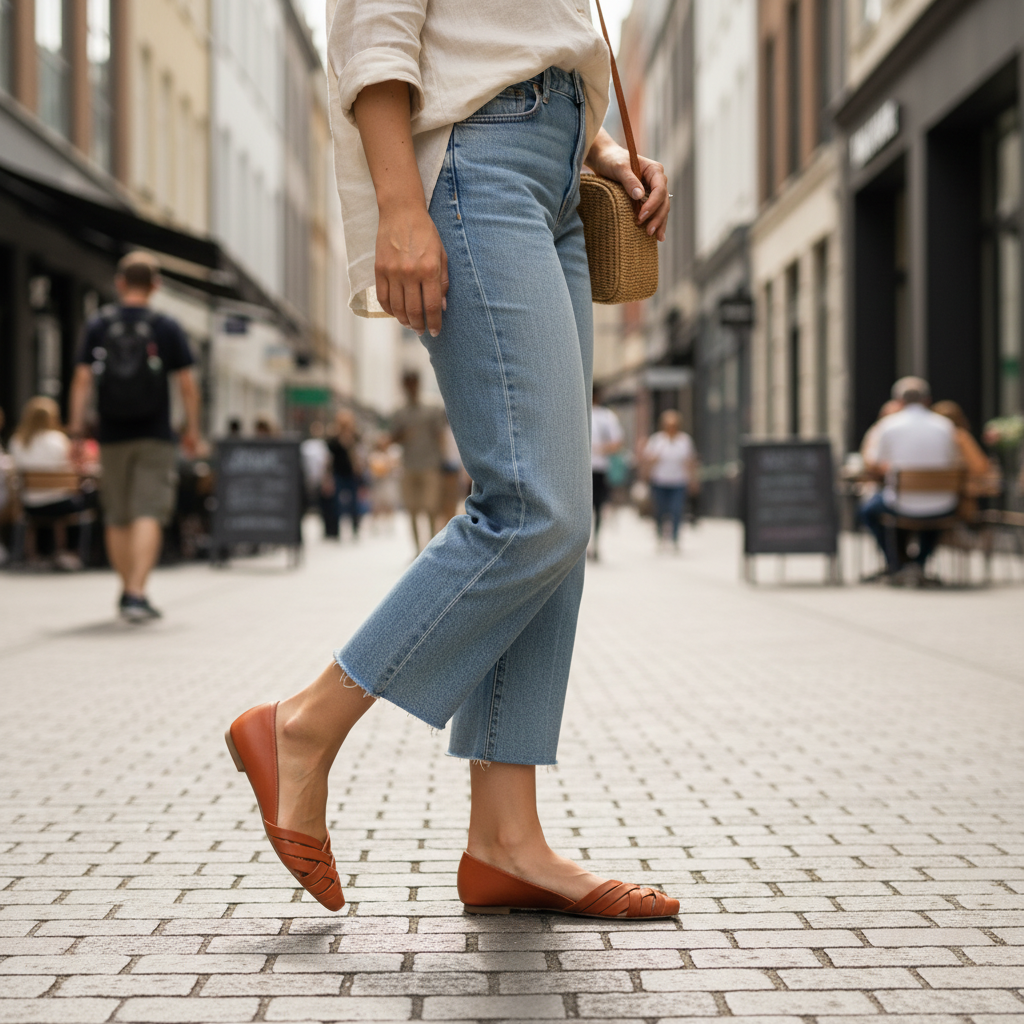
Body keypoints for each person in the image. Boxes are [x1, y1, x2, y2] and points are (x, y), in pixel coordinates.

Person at [224, 1, 678, 921]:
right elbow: (376, 24)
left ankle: (507, 841)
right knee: (534, 508)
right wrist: (400, 205)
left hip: (559, 171)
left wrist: (595, 145)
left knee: (556, 521)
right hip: (477, 161)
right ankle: (303, 726)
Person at [68, 251, 200, 622]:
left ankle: (127, 589)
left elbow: (81, 380)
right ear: (155, 286)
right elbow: (187, 385)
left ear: (120, 282)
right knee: (148, 511)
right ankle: (137, 593)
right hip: (155, 434)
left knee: (117, 515)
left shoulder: (99, 323)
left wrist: (76, 431)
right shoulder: (166, 325)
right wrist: (192, 430)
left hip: (110, 433)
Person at [860, 376, 958, 584]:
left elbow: (875, 462)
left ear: (899, 401)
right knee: (932, 510)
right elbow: (954, 460)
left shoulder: (888, 425)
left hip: (901, 503)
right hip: (943, 503)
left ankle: (896, 563)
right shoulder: (945, 425)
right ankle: (919, 563)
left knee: (868, 511)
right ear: (927, 400)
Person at [9, 396, 92, 570]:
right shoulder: (58, 439)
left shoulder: (17, 441)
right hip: (60, 503)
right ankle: (68, 553)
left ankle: (36, 554)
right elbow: (72, 468)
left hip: (29, 503)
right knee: (80, 502)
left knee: (39, 511)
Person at [390, 371, 446, 554]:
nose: (411, 387)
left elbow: (440, 435)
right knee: (412, 510)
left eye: (413, 383)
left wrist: (443, 459)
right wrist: (402, 436)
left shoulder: (432, 408)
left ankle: (431, 548)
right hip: (409, 466)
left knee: (431, 508)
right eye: (408, 384)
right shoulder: (399, 411)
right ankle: (417, 550)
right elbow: (392, 437)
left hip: (430, 465)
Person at [642, 410, 697, 551]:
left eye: (673, 426)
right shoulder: (657, 440)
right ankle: (660, 535)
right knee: (660, 510)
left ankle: (675, 537)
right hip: (660, 481)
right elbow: (647, 460)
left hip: (678, 481)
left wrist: (693, 479)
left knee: (676, 509)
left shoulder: (684, 440)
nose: (671, 429)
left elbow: (690, 461)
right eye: (668, 425)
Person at [589, 387, 623, 560]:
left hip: (598, 468)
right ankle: (589, 544)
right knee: (589, 510)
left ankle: (594, 543)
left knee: (597, 508)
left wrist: (598, 449)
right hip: (589, 469)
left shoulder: (606, 416)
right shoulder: (580, 412)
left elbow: (617, 443)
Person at [326, 410, 362, 541]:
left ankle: (355, 528)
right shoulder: (333, 439)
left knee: (354, 503)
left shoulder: (355, 437)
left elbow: (358, 454)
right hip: (338, 473)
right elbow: (329, 458)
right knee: (336, 503)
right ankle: (335, 530)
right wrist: (327, 477)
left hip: (351, 474)